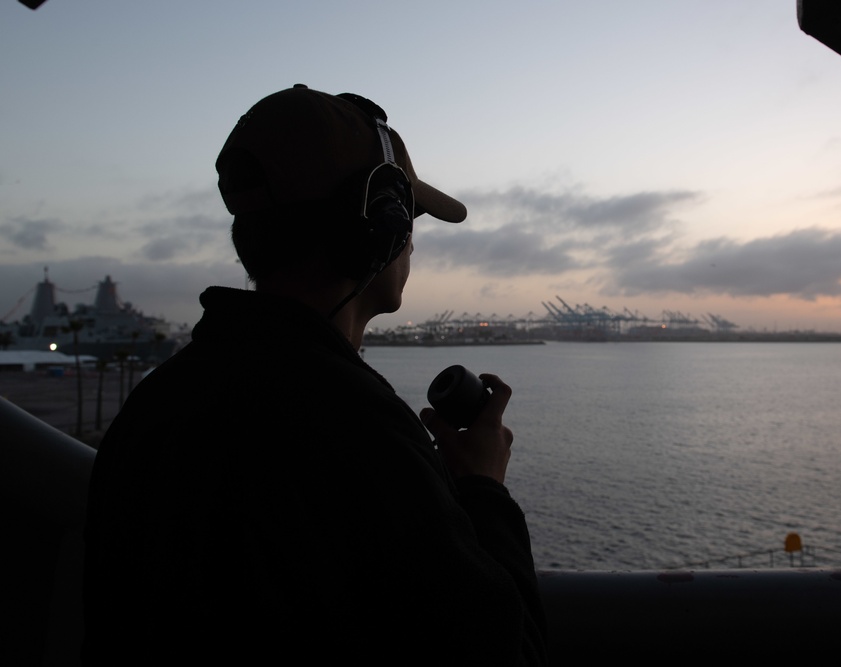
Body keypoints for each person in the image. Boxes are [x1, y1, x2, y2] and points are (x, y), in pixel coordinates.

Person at [82, 84, 547, 665]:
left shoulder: (160, 402)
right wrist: (483, 488)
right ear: (380, 221)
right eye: (409, 217)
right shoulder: (353, 431)